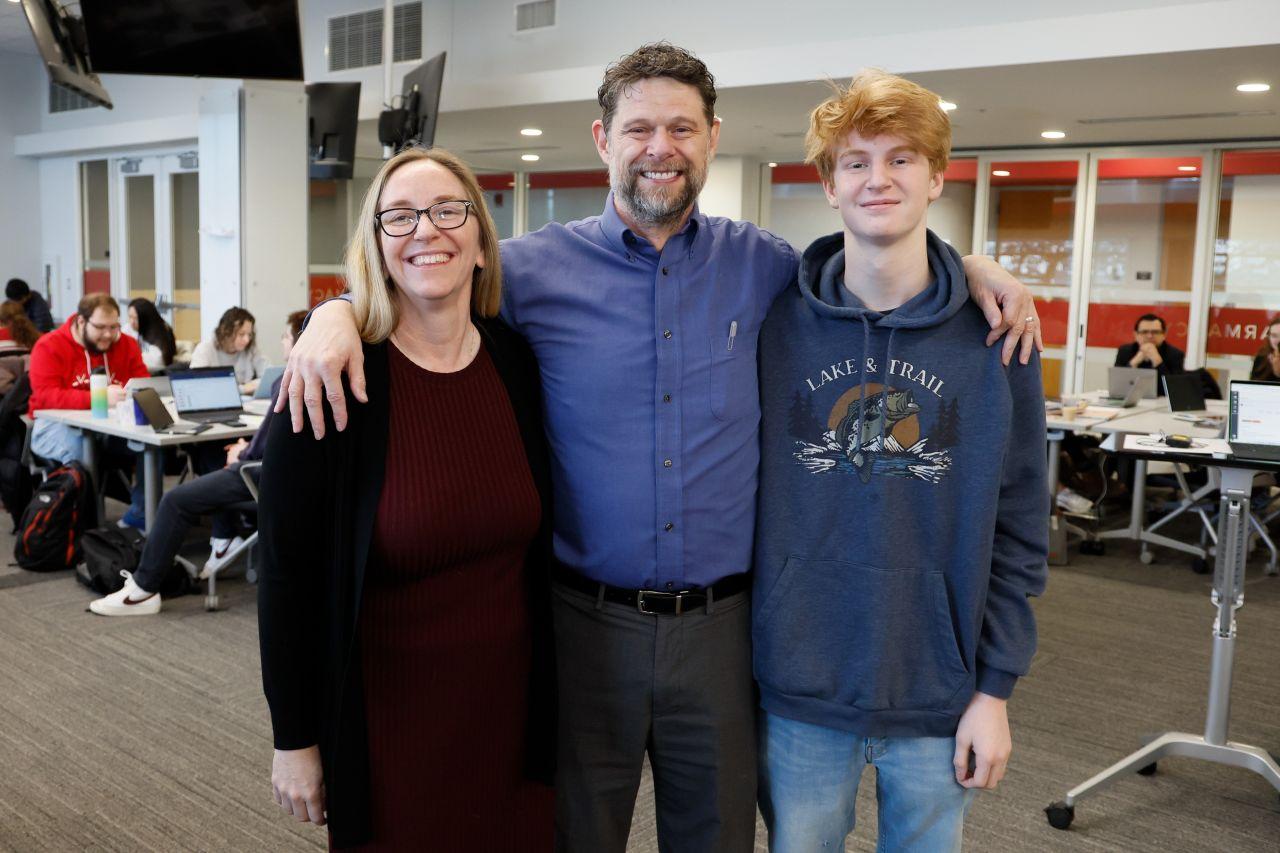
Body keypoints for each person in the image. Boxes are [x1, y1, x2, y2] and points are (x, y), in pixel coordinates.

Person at [281, 44, 1042, 852]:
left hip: (722, 630)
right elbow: (419, 279)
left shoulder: (768, 269)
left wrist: (973, 269)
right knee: (574, 834)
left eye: (682, 127)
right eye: (639, 127)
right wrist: (331, 314)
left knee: (715, 838)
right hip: (579, 623)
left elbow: (874, 254)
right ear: (604, 139)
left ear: (713, 137)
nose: (660, 147)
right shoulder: (530, 274)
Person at [753, 70, 1048, 852]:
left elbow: (1020, 528)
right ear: (828, 184)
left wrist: (995, 689)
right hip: (800, 689)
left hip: (940, 693)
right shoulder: (771, 319)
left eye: (901, 159)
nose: (877, 179)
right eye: (855, 162)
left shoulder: (998, 337)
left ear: (938, 176)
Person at [258, 148, 555, 850]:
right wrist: (293, 737)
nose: (427, 230)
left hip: (513, 718)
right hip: (388, 725)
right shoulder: (329, 381)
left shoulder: (517, 361)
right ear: (377, 247)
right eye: (400, 216)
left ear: (481, 241)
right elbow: (283, 576)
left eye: (449, 210)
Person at [87, 310, 307, 617]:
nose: (281, 342)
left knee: (177, 500)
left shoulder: (290, 381)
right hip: (302, 484)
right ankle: (223, 538)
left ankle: (143, 590)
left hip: (263, 476)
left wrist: (241, 454)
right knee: (211, 460)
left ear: (299, 342)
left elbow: (262, 449)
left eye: (285, 336)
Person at [27, 293, 150, 464]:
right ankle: (78, 490)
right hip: (54, 423)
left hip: (112, 422)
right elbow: (46, 396)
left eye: (114, 327)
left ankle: (144, 492)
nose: (108, 334)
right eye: (100, 327)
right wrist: (99, 399)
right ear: (81, 322)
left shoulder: (126, 344)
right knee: (82, 451)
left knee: (150, 446)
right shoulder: (49, 346)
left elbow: (143, 384)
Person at [191, 307, 267, 393]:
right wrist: (242, 389)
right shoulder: (205, 349)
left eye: (249, 335)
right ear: (225, 331)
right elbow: (196, 384)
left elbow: (269, 378)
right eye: (241, 334)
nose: (247, 340)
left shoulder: (251, 349)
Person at [1115, 313, 1185, 395]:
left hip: (1161, 403)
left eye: (1155, 332)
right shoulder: (1125, 351)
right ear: (1136, 335)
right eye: (1144, 332)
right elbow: (1117, 386)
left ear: (1164, 335)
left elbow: (1175, 390)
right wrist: (1133, 363)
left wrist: (1158, 361)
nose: (1149, 336)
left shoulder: (1175, 354)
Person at [127, 298, 177, 372]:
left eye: (136, 318)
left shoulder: (160, 333)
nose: (132, 322)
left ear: (146, 318)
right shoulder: (132, 329)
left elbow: (158, 362)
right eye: (130, 317)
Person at [1251, 314, 1280, 382]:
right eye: (1274, 335)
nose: (1278, 340)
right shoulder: (1261, 356)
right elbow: (1253, 383)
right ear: (1269, 337)